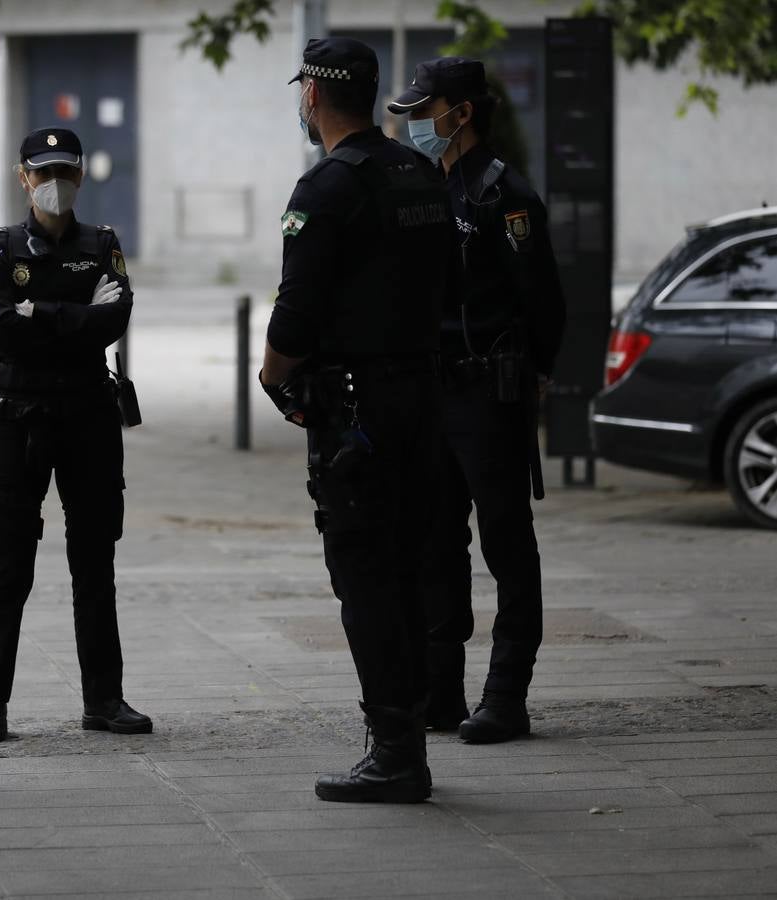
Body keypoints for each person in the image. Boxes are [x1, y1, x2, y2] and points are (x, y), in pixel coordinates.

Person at [261, 38, 459, 803]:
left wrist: (272, 378)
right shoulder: (418, 172)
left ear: (311, 97)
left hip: (355, 412)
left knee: (365, 574)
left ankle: (395, 751)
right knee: (412, 565)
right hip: (421, 398)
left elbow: (295, 312)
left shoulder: (326, 187)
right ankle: (414, 725)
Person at [388, 59, 566, 744]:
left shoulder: (504, 195)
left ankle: (505, 697)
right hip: (429, 393)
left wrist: (535, 374)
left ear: (460, 112)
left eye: (424, 111)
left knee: (506, 546)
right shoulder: (423, 187)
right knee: (435, 544)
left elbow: (542, 300)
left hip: (487, 396)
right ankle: (441, 693)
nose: (414, 125)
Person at [0, 126, 151, 743]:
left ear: (80, 176)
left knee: (94, 562)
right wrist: (77, 315)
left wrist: (38, 314)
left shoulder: (103, 243)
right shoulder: (0, 246)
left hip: (89, 418)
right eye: (41, 174)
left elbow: (116, 316)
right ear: (23, 179)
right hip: (19, 419)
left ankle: (105, 698)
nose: (53, 185)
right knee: (8, 564)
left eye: (63, 173)